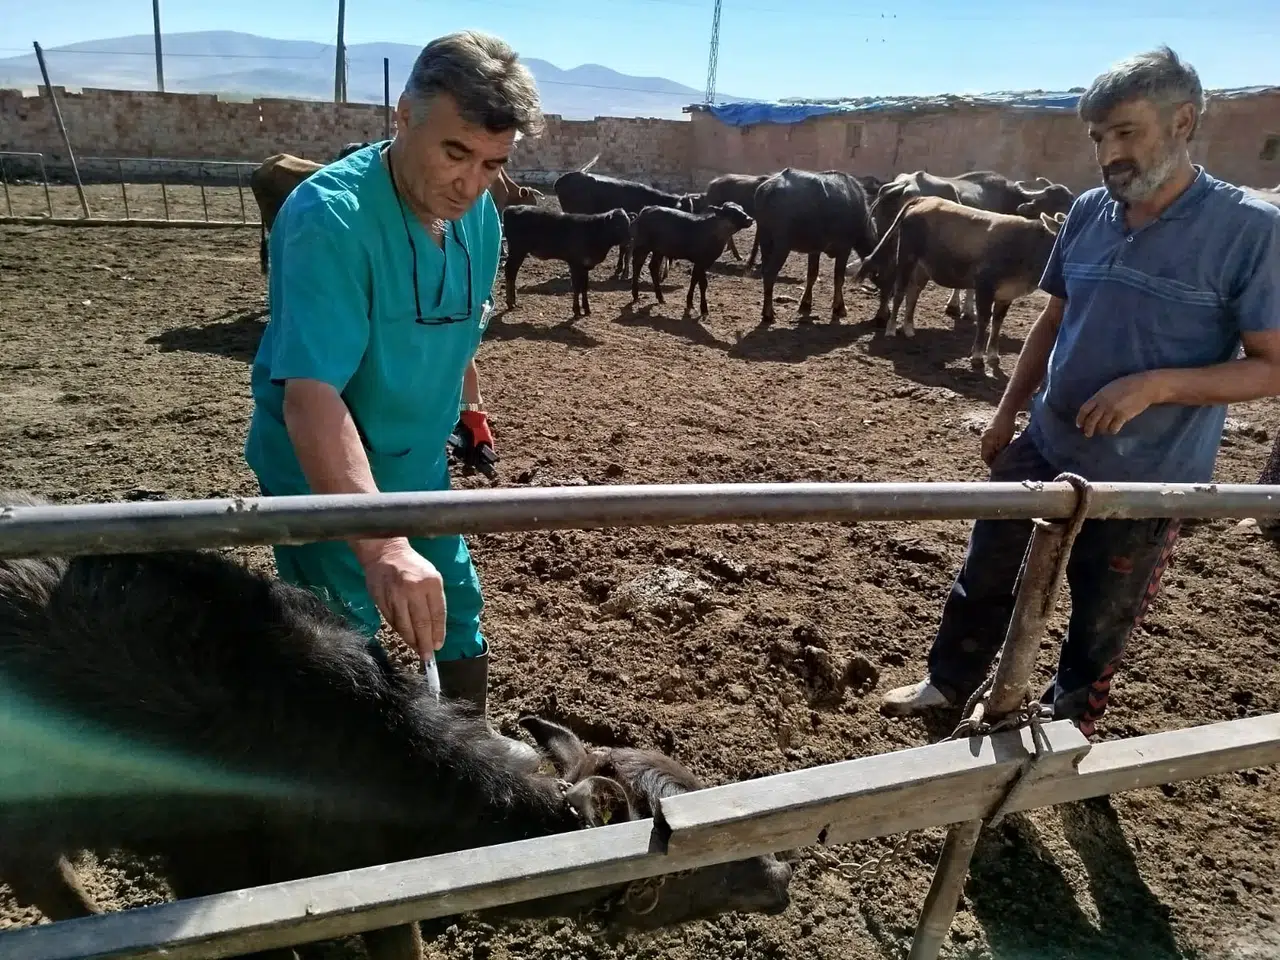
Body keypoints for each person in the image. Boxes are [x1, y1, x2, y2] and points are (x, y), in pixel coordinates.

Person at [881, 46, 1280, 737]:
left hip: (1148, 477)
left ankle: (1069, 726)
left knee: (1101, 613)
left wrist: (1157, 385)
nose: (1109, 154)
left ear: (1183, 122)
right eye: (1099, 138)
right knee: (985, 571)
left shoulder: (1249, 231)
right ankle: (948, 683)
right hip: (1047, 442)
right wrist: (1006, 413)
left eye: (1126, 132)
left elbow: (1272, 365)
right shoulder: (1091, 212)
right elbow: (1054, 317)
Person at [243, 31, 544, 765]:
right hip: (327, 479)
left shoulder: (481, 215)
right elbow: (311, 397)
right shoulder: (329, 220)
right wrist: (378, 542)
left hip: (419, 465)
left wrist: (469, 406)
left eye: (493, 164)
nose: (471, 183)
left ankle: (463, 771)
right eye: (454, 153)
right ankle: (357, 788)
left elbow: (457, 330)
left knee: (458, 610)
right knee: (347, 632)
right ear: (404, 114)